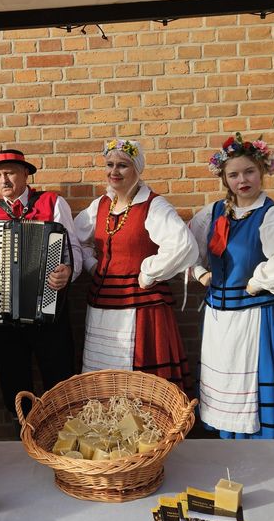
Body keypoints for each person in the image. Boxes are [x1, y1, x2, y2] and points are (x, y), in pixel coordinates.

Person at [189, 133, 274, 439]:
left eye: (249, 172)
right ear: (225, 179)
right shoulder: (212, 213)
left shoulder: (270, 214)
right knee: (225, 384)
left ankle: (257, 445)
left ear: (262, 172)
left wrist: (256, 282)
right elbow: (186, 250)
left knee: (252, 386)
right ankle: (227, 442)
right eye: (234, 174)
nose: (243, 180)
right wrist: (201, 273)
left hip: (254, 316)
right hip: (219, 321)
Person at [0, 149, 82, 417]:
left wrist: (69, 271)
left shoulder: (53, 203)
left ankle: (61, 440)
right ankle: (23, 436)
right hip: (3, 314)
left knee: (60, 378)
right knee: (13, 383)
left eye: (10, 173)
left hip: (50, 310)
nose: (4, 180)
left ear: (26, 173)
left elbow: (74, 248)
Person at [74, 139, 197, 387]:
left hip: (141, 306)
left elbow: (183, 245)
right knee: (105, 376)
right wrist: (90, 265)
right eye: (110, 165)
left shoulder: (153, 205)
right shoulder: (100, 206)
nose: (114, 171)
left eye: (123, 165)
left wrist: (149, 273)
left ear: (137, 169)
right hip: (103, 302)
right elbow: (75, 239)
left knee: (140, 379)